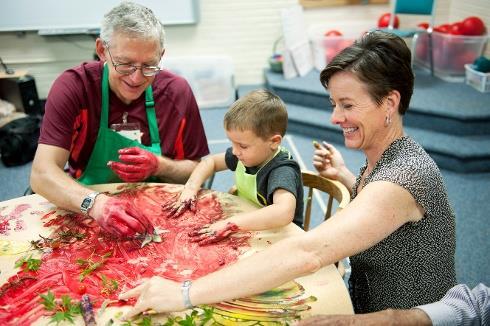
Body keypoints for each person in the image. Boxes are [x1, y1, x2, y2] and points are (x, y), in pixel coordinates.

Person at [119, 31, 456, 317]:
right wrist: (343, 174)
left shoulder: (404, 176)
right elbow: (381, 212)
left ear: (389, 103)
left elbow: (308, 252)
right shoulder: (385, 159)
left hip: (401, 317)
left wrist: (184, 293)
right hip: (368, 299)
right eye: (334, 104)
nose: (335, 118)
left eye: (348, 105)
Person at [30, 2, 209, 238]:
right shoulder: (75, 87)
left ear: (161, 55)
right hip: (86, 205)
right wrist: (96, 205)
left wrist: (159, 165)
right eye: (124, 64)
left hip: (161, 215)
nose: (136, 78)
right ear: (102, 50)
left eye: (148, 66)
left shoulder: (176, 92)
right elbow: (42, 174)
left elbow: (196, 171)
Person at [167, 89, 304, 244]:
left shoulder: (282, 170)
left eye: (243, 146)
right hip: (250, 224)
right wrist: (190, 189)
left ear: (274, 142)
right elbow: (210, 162)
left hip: (282, 237)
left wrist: (231, 224)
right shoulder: (245, 154)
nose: (234, 151)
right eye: (232, 143)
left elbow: (283, 212)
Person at [297, 283, 490, 326]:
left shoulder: (407, 179)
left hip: (409, 294)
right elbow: (477, 305)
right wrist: (396, 318)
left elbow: (314, 251)